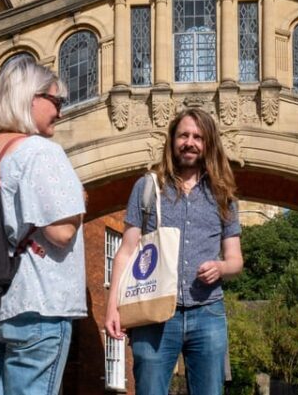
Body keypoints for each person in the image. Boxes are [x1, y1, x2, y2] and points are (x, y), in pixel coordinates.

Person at [0, 57, 86, 395]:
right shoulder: (41, 152)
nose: (60, 111)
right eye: (56, 101)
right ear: (32, 98)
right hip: (37, 305)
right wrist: (80, 203)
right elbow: (61, 233)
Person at [105, 108, 244, 395]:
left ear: (208, 144)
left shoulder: (223, 194)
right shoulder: (147, 187)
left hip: (207, 313)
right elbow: (126, 251)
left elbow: (236, 260)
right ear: (172, 140)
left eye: (197, 137)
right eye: (184, 135)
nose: (189, 142)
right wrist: (111, 307)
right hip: (152, 314)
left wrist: (221, 267)